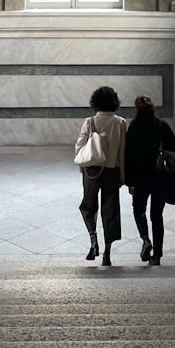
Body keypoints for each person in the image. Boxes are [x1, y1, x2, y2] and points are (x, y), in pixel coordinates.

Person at [124, 94, 175, 266]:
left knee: (139, 210)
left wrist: (130, 182)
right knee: (157, 216)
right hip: (161, 178)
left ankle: (145, 239)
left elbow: (128, 157)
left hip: (141, 179)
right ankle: (157, 256)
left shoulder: (133, 128)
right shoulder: (162, 125)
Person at [75, 85, 126, 266]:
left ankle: (93, 239)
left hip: (92, 171)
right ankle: (107, 254)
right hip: (112, 171)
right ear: (114, 102)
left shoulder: (89, 122)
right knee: (110, 211)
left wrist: (83, 168)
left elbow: (79, 147)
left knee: (88, 206)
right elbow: (122, 152)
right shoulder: (120, 123)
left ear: (94, 102)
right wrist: (122, 175)